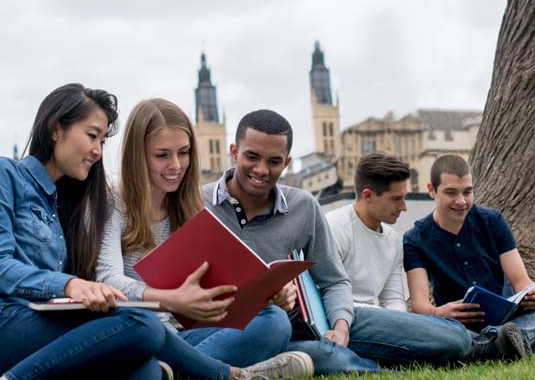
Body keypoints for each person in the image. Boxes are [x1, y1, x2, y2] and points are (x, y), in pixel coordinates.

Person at [201, 110, 472, 374]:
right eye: (252, 157)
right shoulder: (198, 203)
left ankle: (480, 344)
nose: (261, 170)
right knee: (330, 358)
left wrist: (341, 325)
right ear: (234, 152)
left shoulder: (303, 206)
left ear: (286, 163)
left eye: (273, 161)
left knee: (453, 339)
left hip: (317, 319)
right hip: (252, 329)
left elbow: (334, 281)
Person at [0, 84, 168, 380]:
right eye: (92, 135)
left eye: (103, 141)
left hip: (38, 327)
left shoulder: (66, 206)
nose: (97, 150)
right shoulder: (3, 173)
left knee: (144, 366)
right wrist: (70, 285)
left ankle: (226, 374)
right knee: (142, 323)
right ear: (56, 130)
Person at [97, 98, 313, 379]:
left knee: (275, 322)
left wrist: (265, 294)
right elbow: (107, 278)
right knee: (153, 334)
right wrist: (170, 299)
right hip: (142, 334)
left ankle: (180, 372)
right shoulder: (113, 205)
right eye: (162, 155)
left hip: (185, 338)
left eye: (184, 153)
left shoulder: (191, 206)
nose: (176, 165)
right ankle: (230, 374)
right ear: (138, 155)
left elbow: (211, 289)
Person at [327, 153, 513, 362]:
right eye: (396, 199)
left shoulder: (392, 240)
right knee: (457, 335)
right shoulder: (334, 228)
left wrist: (406, 329)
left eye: (404, 198)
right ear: (368, 195)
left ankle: (487, 344)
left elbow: (394, 300)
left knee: (452, 333)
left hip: (383, 323)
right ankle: (485, 347)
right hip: (347, 318)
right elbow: (328, 291)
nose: (404, 207)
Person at [403, 154, 535, 357]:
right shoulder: (415, 239)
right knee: (448, 338)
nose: (461, 201)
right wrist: (439, 312)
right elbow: (420, 304)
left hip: (509, 317)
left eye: (467, 192)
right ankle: (523, 339)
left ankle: (500, 341)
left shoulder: (492, 221)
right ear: (432, 190)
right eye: (451, 193)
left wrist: (531, 294)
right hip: (460, 326)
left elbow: (521, 282)